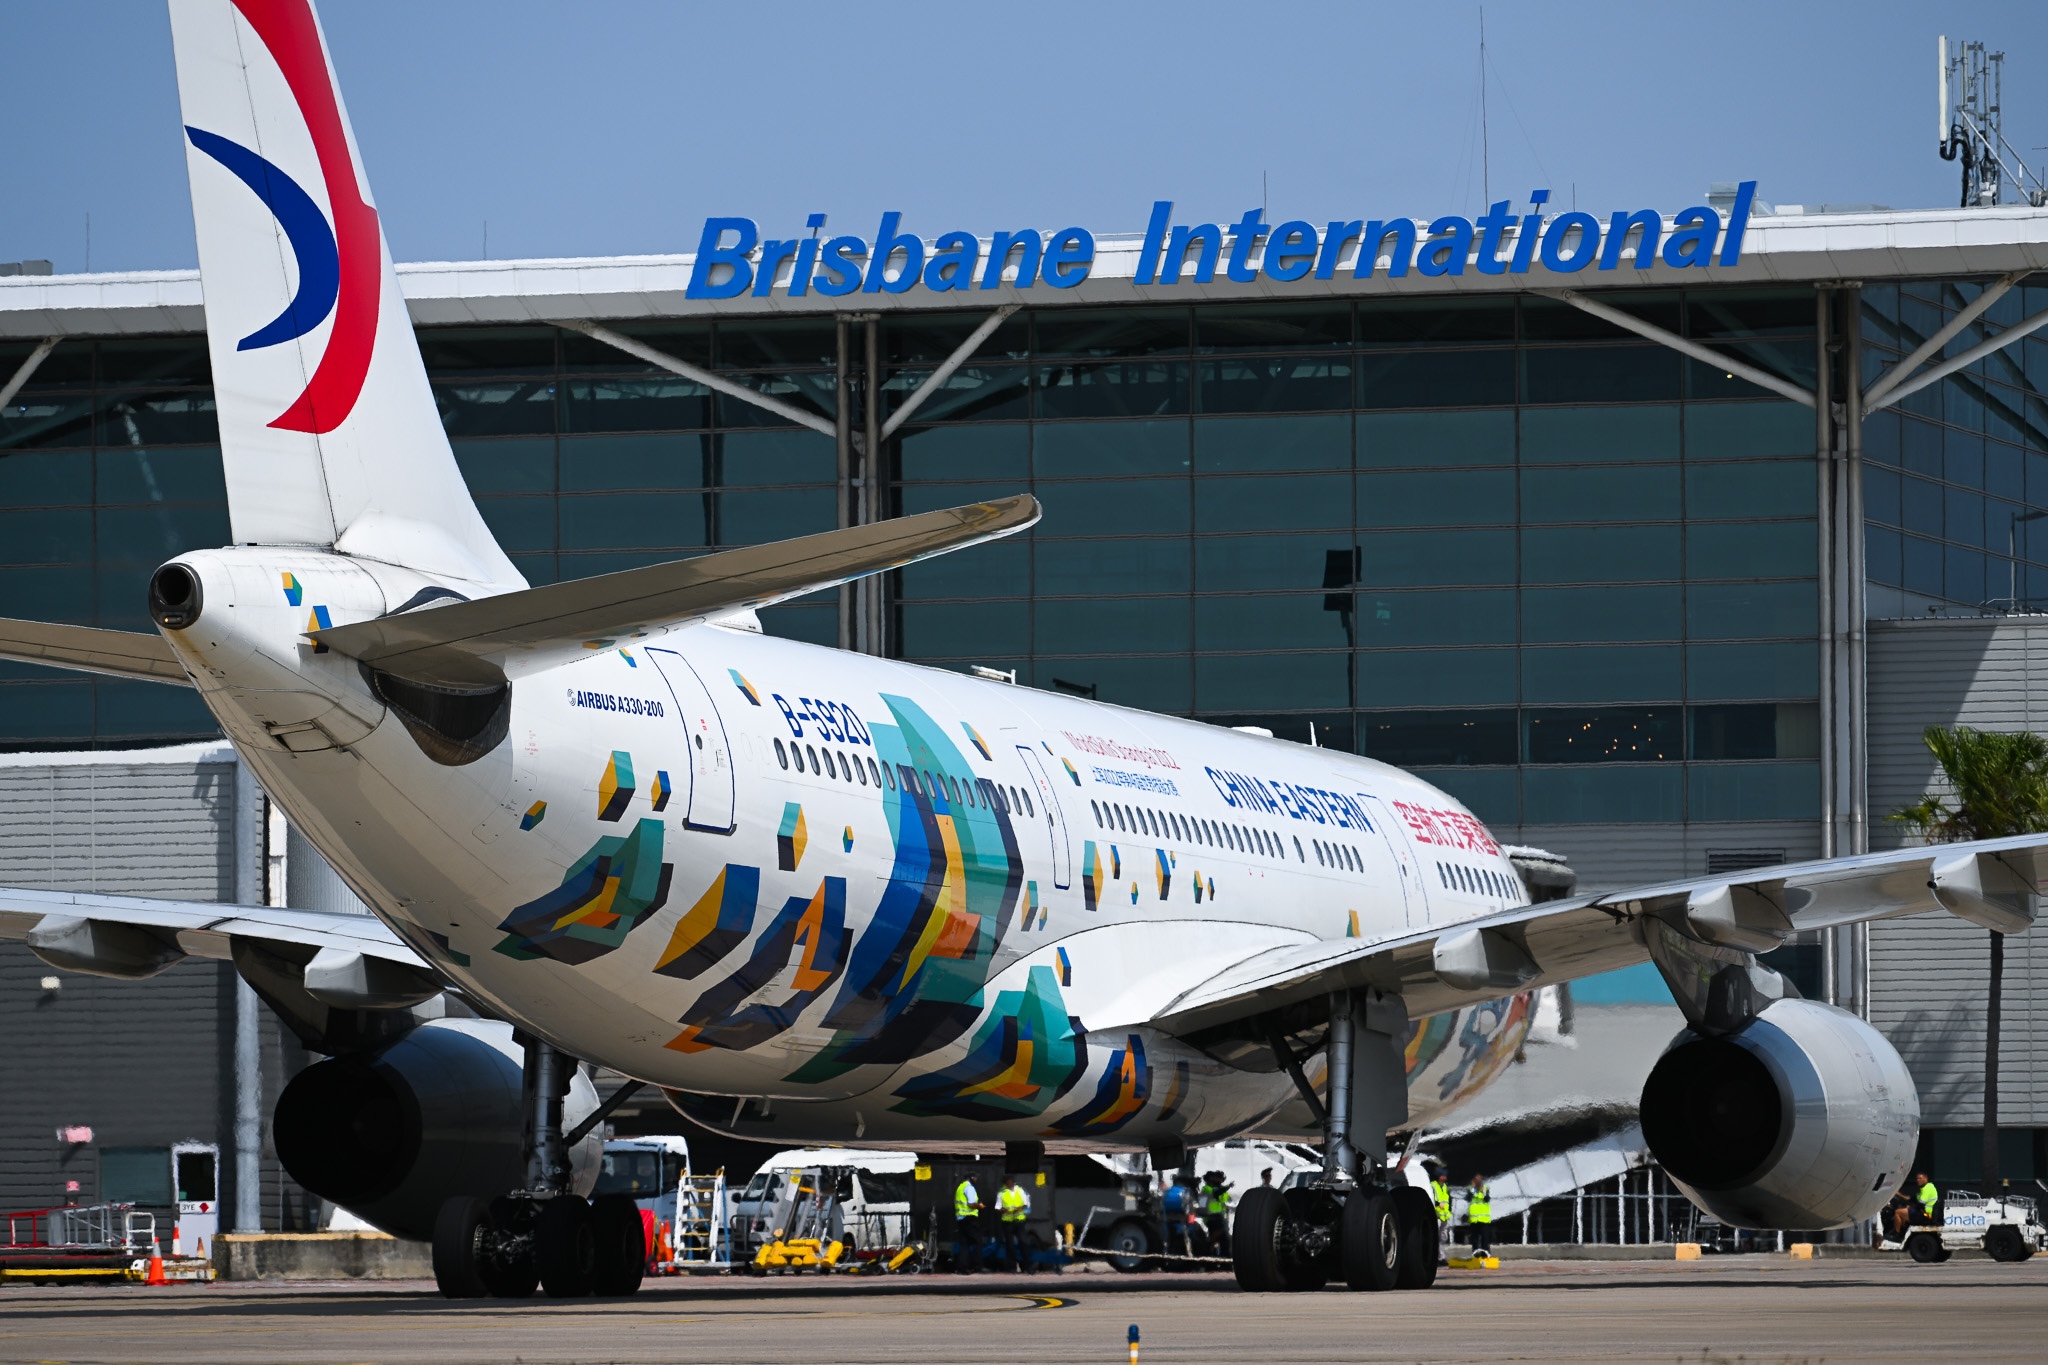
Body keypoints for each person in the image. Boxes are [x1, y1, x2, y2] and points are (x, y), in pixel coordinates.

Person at [995, 1175, 1032, 1272]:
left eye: (1010, 1181)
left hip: (1019, 1220)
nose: (1009, 1183)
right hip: (1007, 1222)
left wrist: (1018, 1209)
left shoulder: (1020, 1190)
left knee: (1023, 1243)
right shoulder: (1001, 1192)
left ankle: (1027, 1267)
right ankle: (1011, 1267)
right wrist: (1005, 1210)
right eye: (1007, 1181)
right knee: (1009, 1245)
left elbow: (1025, 1203)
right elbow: (998, 1207)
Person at [953, 1174, 984, 1273]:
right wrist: (980, 1206)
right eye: (975, 1177)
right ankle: (977, 1266)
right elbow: (971, 1204)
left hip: (961, 1219)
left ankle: (962, 1268)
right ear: (971, 1178)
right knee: (978, 1241)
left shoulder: (960, 1187)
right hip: (969, 1218)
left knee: (964, 1244)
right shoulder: (969, 1188)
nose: (976, 1179)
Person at [1199, 1170, 1233, 1258]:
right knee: (1223, 1236)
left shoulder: (1219, 1190)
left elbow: (1228, 1201)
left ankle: (1217, 1256)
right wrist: (1227, 1187)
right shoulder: (1207, 1189)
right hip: (1211, 1217)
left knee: (1222, 1239)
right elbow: (1215, 1194)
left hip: (1220, 1217)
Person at [1427, 1163, 1453, 1265]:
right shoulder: (1433, 1186)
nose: (1445, 1177)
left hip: (1445, 1216)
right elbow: (1431, 1199)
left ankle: (1441, 1257)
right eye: (1443, 1175)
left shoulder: (1445, 1187)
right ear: (1439, 1176)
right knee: (1435, 1237)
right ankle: (1434, 1258)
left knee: (1443, 1238)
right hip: (1437, 1215)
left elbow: (1448, 1200)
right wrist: (1438, 1204)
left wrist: (1449, 1211)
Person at [1161, 1176, 1193, 1257]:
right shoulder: (1184, 1192)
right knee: (1185, 1238)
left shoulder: (1169, 1191)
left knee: (1170, 1238)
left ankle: (1167, 1253)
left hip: (1168, 1218)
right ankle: (1188, 1254)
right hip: (1180, 1219)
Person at [1465, 1173, 1493, 1258]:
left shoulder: (1485, 1188)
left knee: (1485, 1238)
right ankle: (1476, 1254)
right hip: (1474, 1218)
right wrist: (1473, 1189)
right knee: (1474, 1239)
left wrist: (1482, 1191)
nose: (1478, 1182)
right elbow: (1468, 1198)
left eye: (1479, 1180)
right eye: (1476, 1180)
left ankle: (1486, 1254)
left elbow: (1487, 1199)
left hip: (1484, 1218)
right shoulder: (1470, 1189)